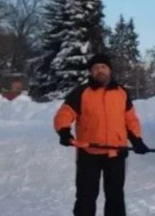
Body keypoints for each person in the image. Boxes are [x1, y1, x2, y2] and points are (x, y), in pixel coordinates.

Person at [54, 53, 149, 216]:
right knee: (86, 197)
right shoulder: (82, 92)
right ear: (91, 72)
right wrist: (64, 131)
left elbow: (130, 119)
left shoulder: (121, 92)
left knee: (115, 197)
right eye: (96, 68)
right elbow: (65, 113)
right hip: (88, 153)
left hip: (116, 152)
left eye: (103, 67)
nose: (100, 71)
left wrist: (137, 140)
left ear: (109, 70)